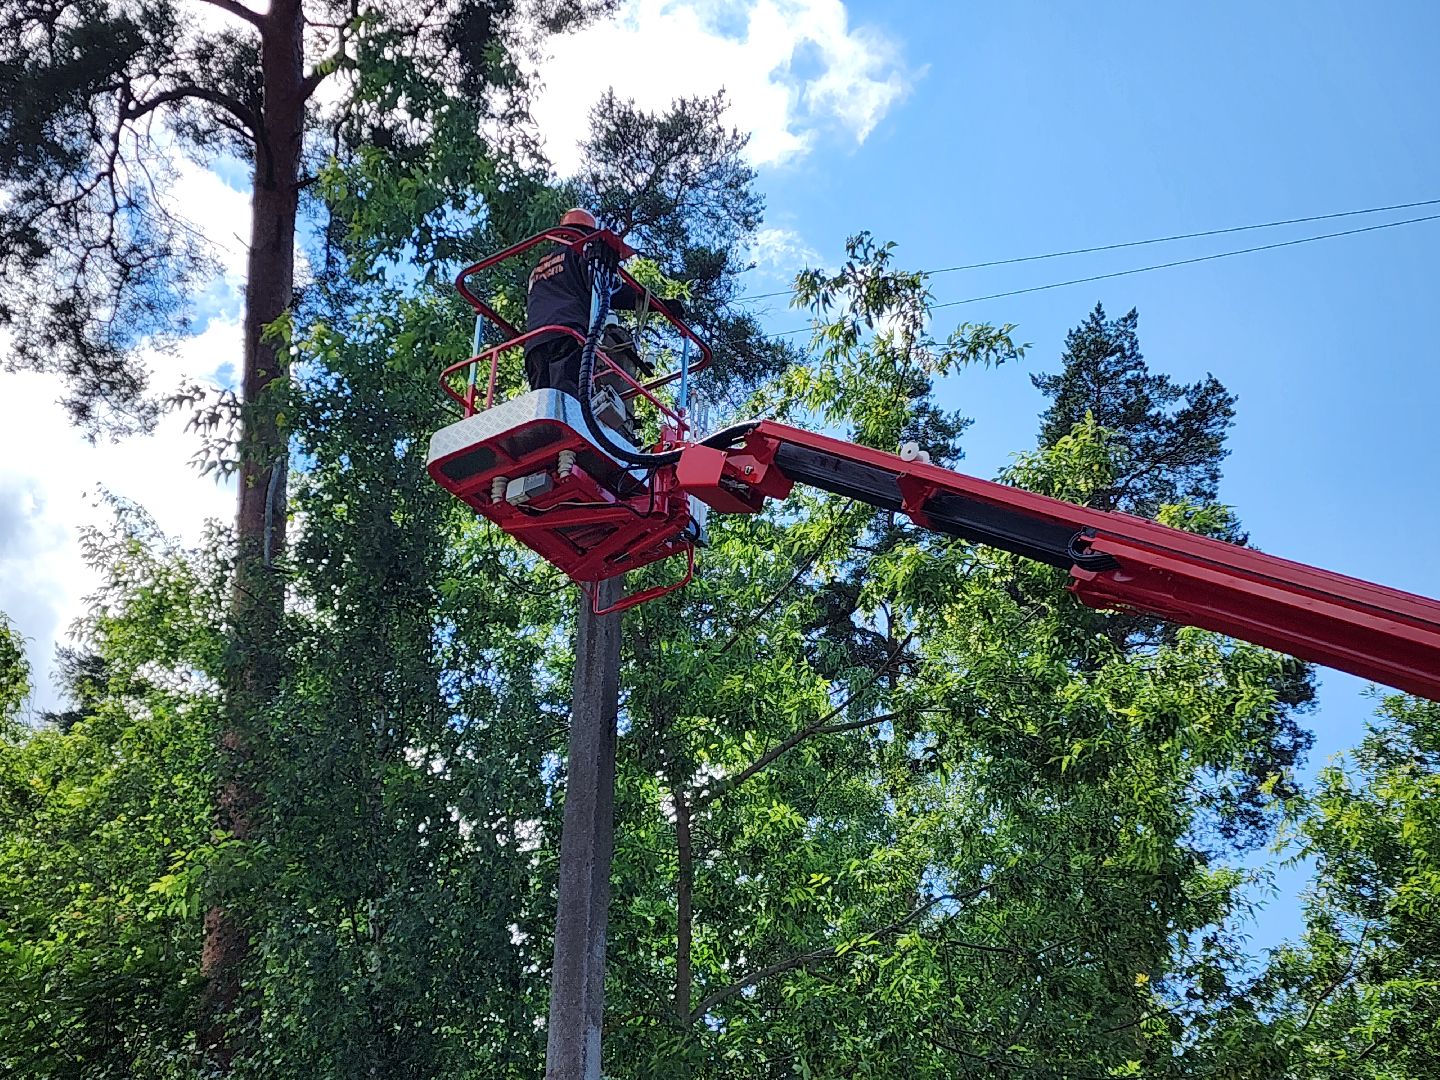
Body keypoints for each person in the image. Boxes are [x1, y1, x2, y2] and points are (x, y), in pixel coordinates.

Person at [523, 208, 681, 400]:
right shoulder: (581, 254)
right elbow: (608, 290)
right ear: (586, 233)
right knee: (567, 403)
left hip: (535, 345)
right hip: (568, 336)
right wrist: (660, 305)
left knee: (542, 406)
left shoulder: (538, 268)